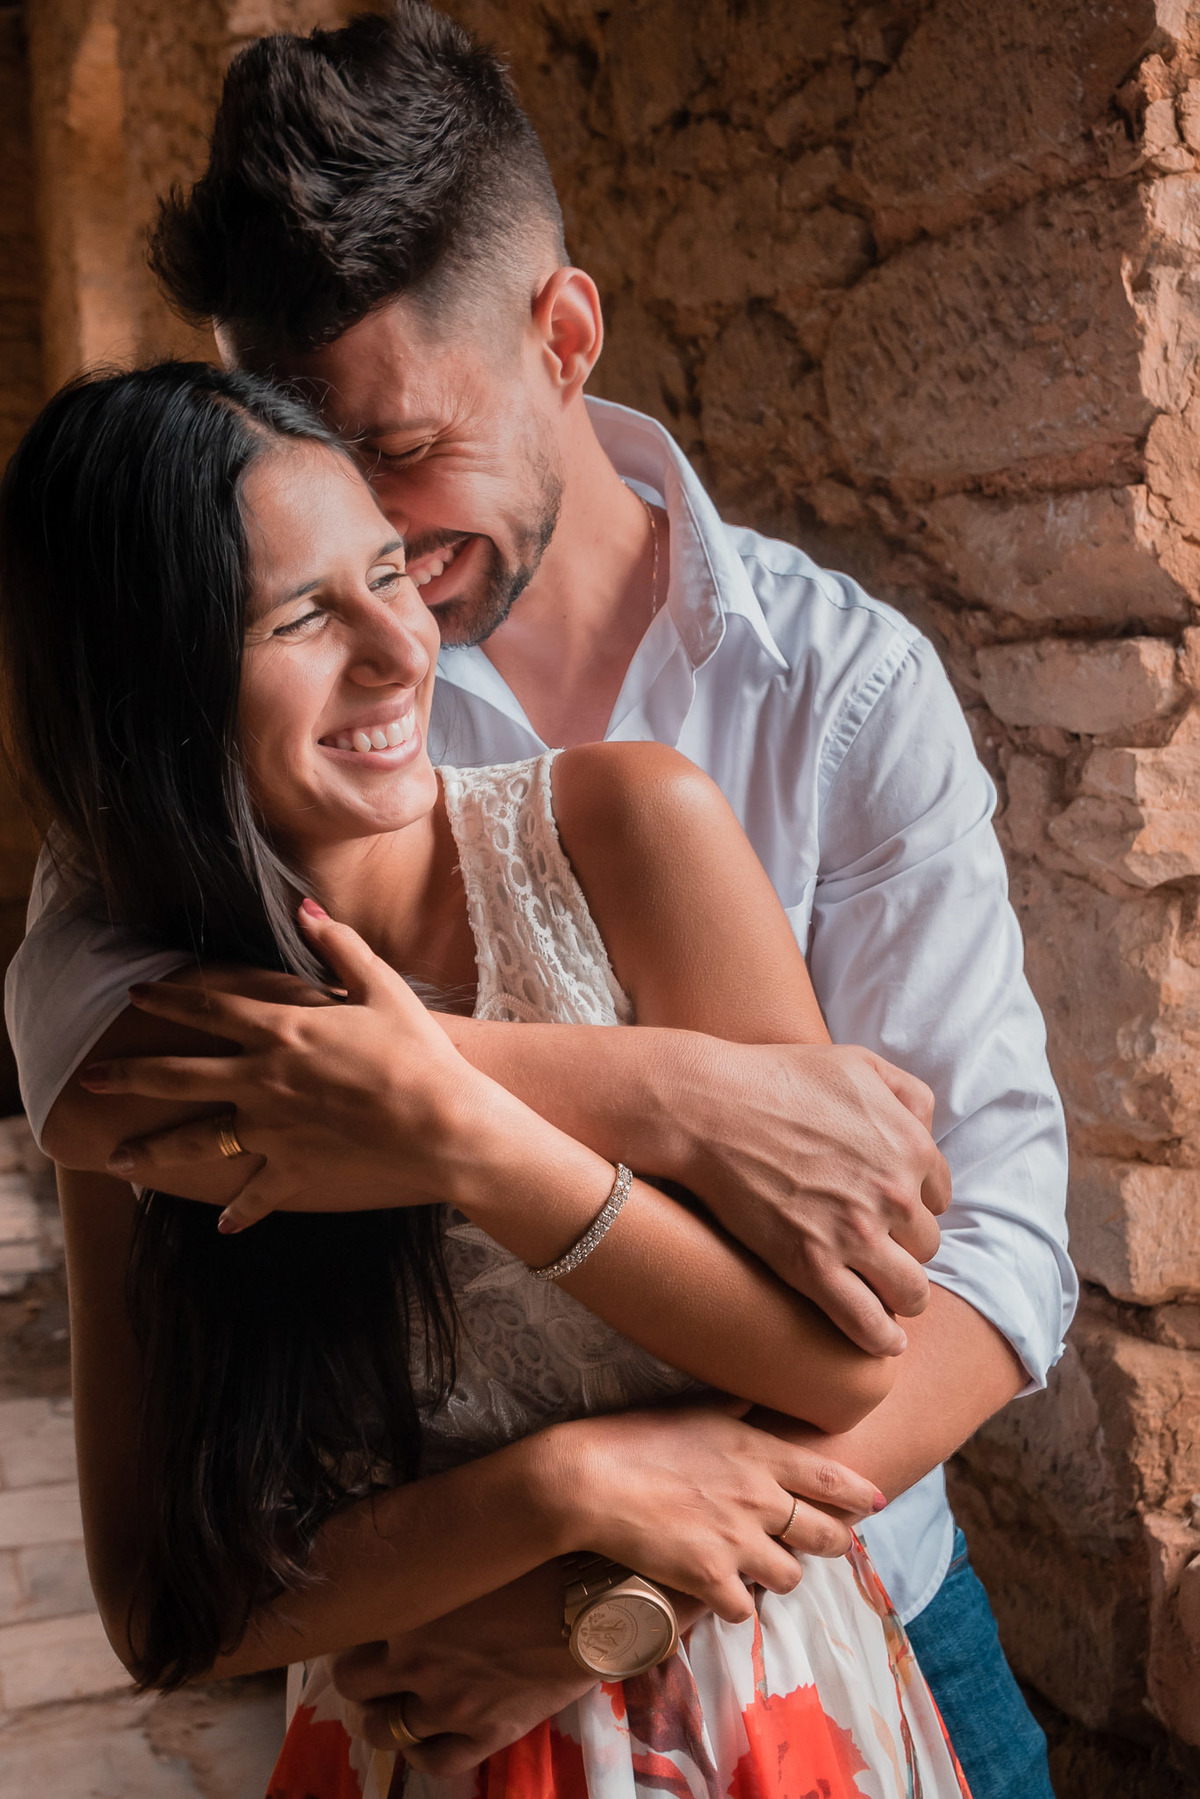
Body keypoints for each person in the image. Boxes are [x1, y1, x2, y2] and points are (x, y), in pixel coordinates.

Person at [2, 7, 1072, 1796]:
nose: (391, 568)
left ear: (562, 335)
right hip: (427, 1685)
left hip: (829, 1600)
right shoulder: (253, 762)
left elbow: (991, 1261)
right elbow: (104, 1049)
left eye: (401, 452)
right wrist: (672, 1094)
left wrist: (597, 1592)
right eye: (304, 457)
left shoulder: (834, 692)